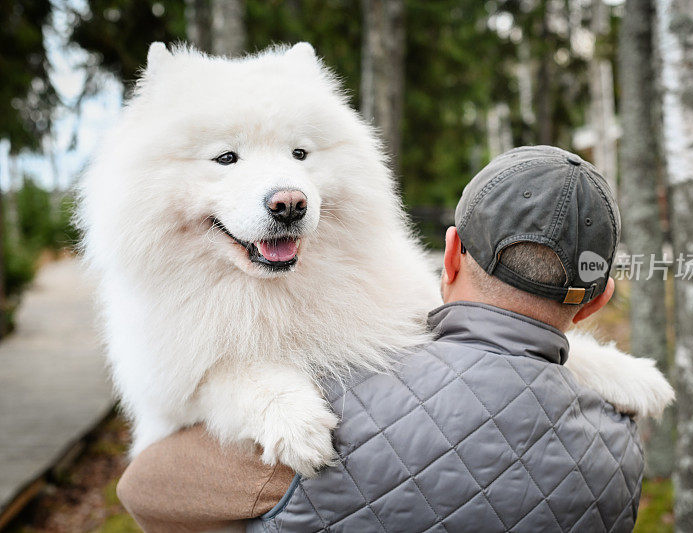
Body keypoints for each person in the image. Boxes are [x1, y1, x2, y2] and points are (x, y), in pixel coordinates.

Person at [118, 146, 655, 532]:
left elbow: (142, 490)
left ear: (449, 254)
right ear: (598, 299)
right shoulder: (621, 451)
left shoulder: (340, 402)